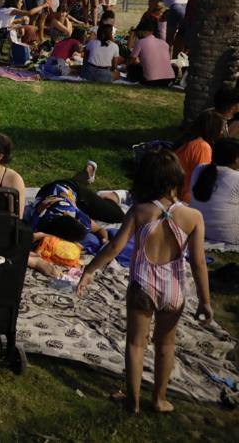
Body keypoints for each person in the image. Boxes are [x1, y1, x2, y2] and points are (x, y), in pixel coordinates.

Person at [77, 149, 212, 414]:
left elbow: (115, 246)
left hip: (143, 285)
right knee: (166, 344)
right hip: (173, 290)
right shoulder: (193, 217)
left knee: (136, 343)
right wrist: (205, 301)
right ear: (178, 179)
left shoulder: (140, 212)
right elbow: (197, 263)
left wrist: (90, 270)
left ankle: (133, 400)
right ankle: (159, 399)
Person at [190, 138, 239, 244]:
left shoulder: (199, 169)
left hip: (198, 229)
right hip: (228, 236)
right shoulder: (236, 177)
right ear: (235, 159)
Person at [174, 110, 227, 203]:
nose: (222, 132)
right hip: (186, 199)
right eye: (222, 128)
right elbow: (201, 179)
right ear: (214, 129)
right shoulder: (201, 147)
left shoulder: (190, 141)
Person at [128, 17, 175, 86]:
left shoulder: (140, 42)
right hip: (169, 80)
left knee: (132, 67)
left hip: (152, 81)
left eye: (137, 32)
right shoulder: (164, 43)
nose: (136, 35)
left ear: (142, 32)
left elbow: (130, 61)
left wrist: (131, 36)